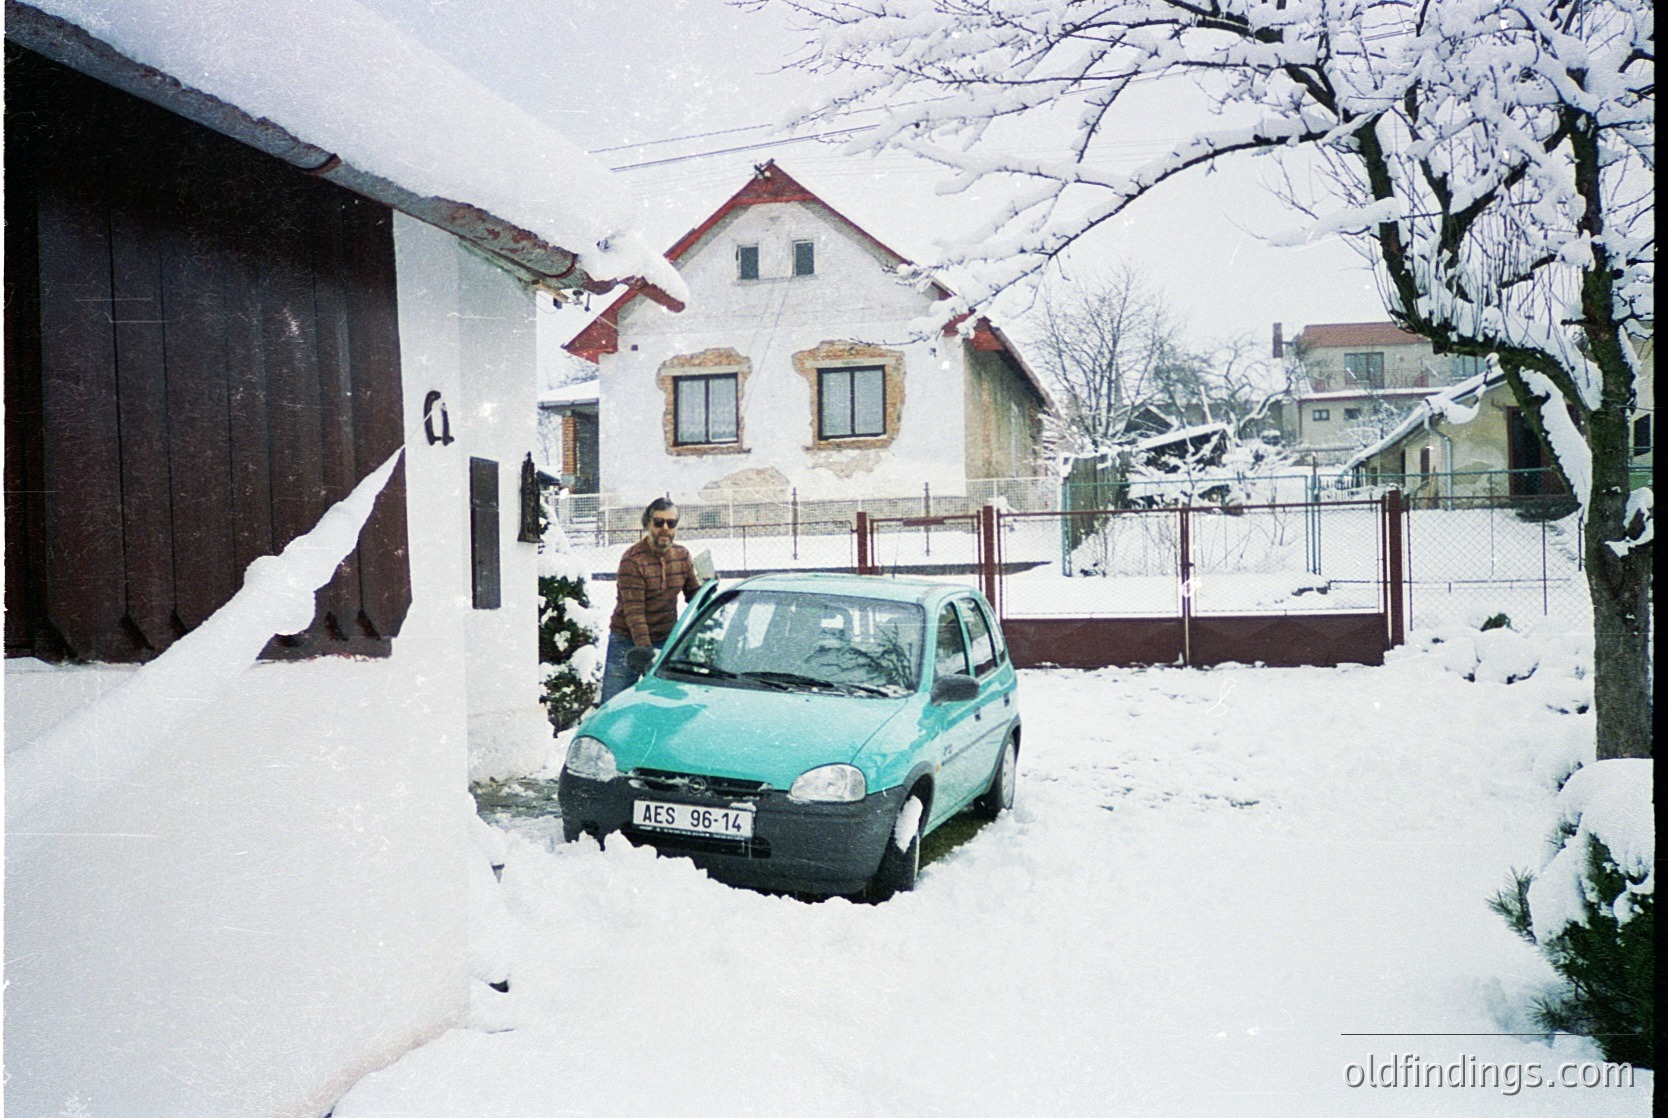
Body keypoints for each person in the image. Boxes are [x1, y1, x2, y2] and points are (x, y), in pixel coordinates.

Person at [599, 497, 703, 704]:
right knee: (614, 704)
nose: (665, 528)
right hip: (626, 640)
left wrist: (708, 591)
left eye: (671, 523)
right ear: (647, 524)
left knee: (662, 703)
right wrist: (645, 652)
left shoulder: (682, 556)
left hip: (665, 639)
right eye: (658, 522)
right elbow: (634, 612)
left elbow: (693, 596)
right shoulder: (632, 560)